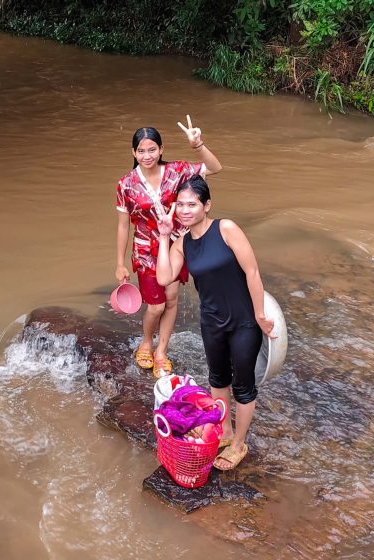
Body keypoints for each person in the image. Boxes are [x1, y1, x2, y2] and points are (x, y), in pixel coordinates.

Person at [154, 175, 276, 471]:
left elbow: (253, 272)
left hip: (244, 321)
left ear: (206, 205)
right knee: (218, 380)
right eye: (180, 204)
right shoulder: (182, 243)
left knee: (244, 386)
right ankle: (225, 432)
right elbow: (164, 277)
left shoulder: (226, 228)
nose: (184, 210)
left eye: (191, 204)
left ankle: (238, 446)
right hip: (211, 321)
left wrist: (260, 315)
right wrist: (163, 236)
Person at [115, 117, 222, 378]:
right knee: (156, 306)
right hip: (145, 250)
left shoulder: (178, 171)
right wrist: (119, 263)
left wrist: (198, 145)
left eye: (152, 149)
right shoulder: (126, 185)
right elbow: (122, 226)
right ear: (133, 153)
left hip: (176, 245)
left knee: (171, 300)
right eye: (141, 150)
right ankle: (147, 341)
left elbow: (215, 168)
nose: (147, 155)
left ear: (161, 150)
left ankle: (162, 350)